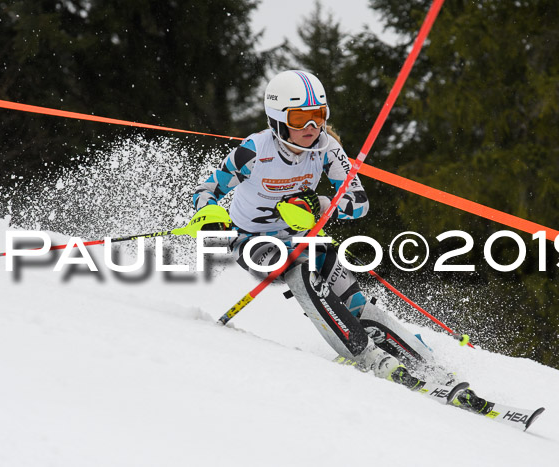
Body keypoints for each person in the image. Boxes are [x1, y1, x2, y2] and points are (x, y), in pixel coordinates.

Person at [191, 70, 458, 394]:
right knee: (297, 271)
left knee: (353, 299)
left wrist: (318, 203)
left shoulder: (327, 149)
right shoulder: (254, 150)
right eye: (300, 118)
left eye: (317, 117)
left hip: (300, 235)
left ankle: (432, 369)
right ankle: (369, 357)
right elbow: (207, 190)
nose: (311, 128)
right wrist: (210, 216)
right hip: (251, 240)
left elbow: (359, 204)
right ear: (278, 119)